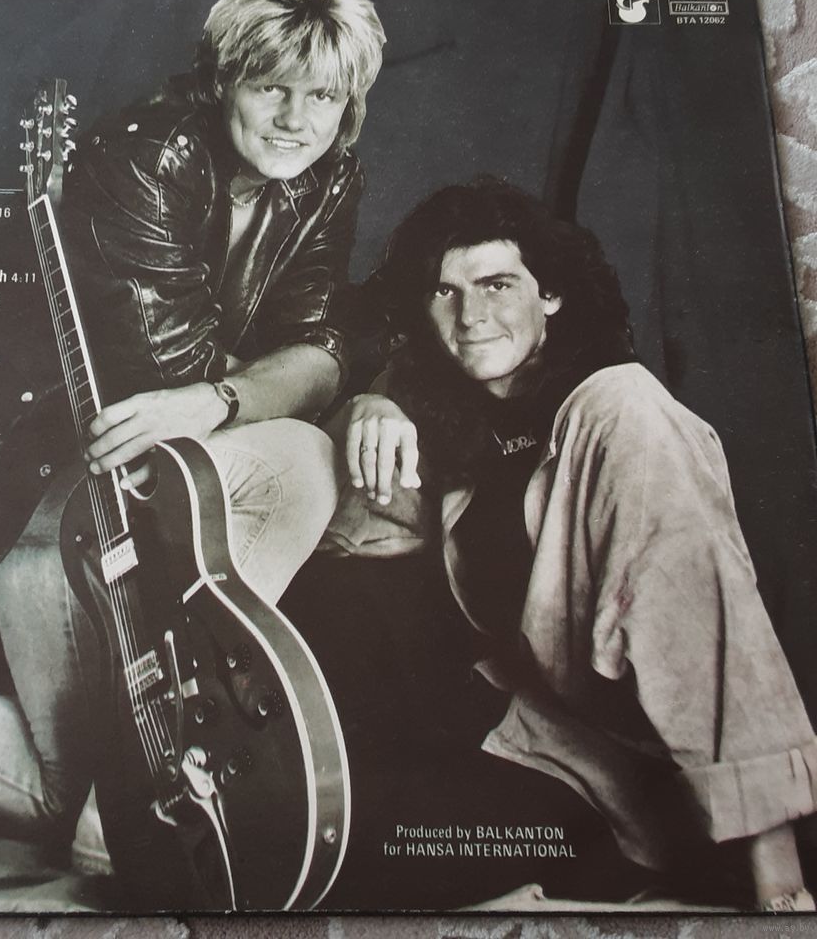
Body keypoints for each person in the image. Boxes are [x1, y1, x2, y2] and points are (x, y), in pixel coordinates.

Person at [0, 0, 385, 891]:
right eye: (271, 87)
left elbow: (320, 343)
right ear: (222, 81)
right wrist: (254, 387)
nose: (296, 119)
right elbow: (176, 376)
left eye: (322, 95)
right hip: (47, 486)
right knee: (303, 455)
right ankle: (172, 738)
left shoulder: (328, 176)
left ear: (348, 105)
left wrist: (227, 398)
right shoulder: (148, 159)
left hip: (144, 488)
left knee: (71, 793)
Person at [308, 176, 817, 910]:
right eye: (445, 292)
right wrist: (367, 405)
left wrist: (773, 854)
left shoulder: (616, 409)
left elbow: (695, 589)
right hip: (549, 744)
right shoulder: (436, 404)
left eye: (497, 285)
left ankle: (772, 862)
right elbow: (343, 540)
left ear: (550, 294)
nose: (471, 316)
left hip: (670, 743)